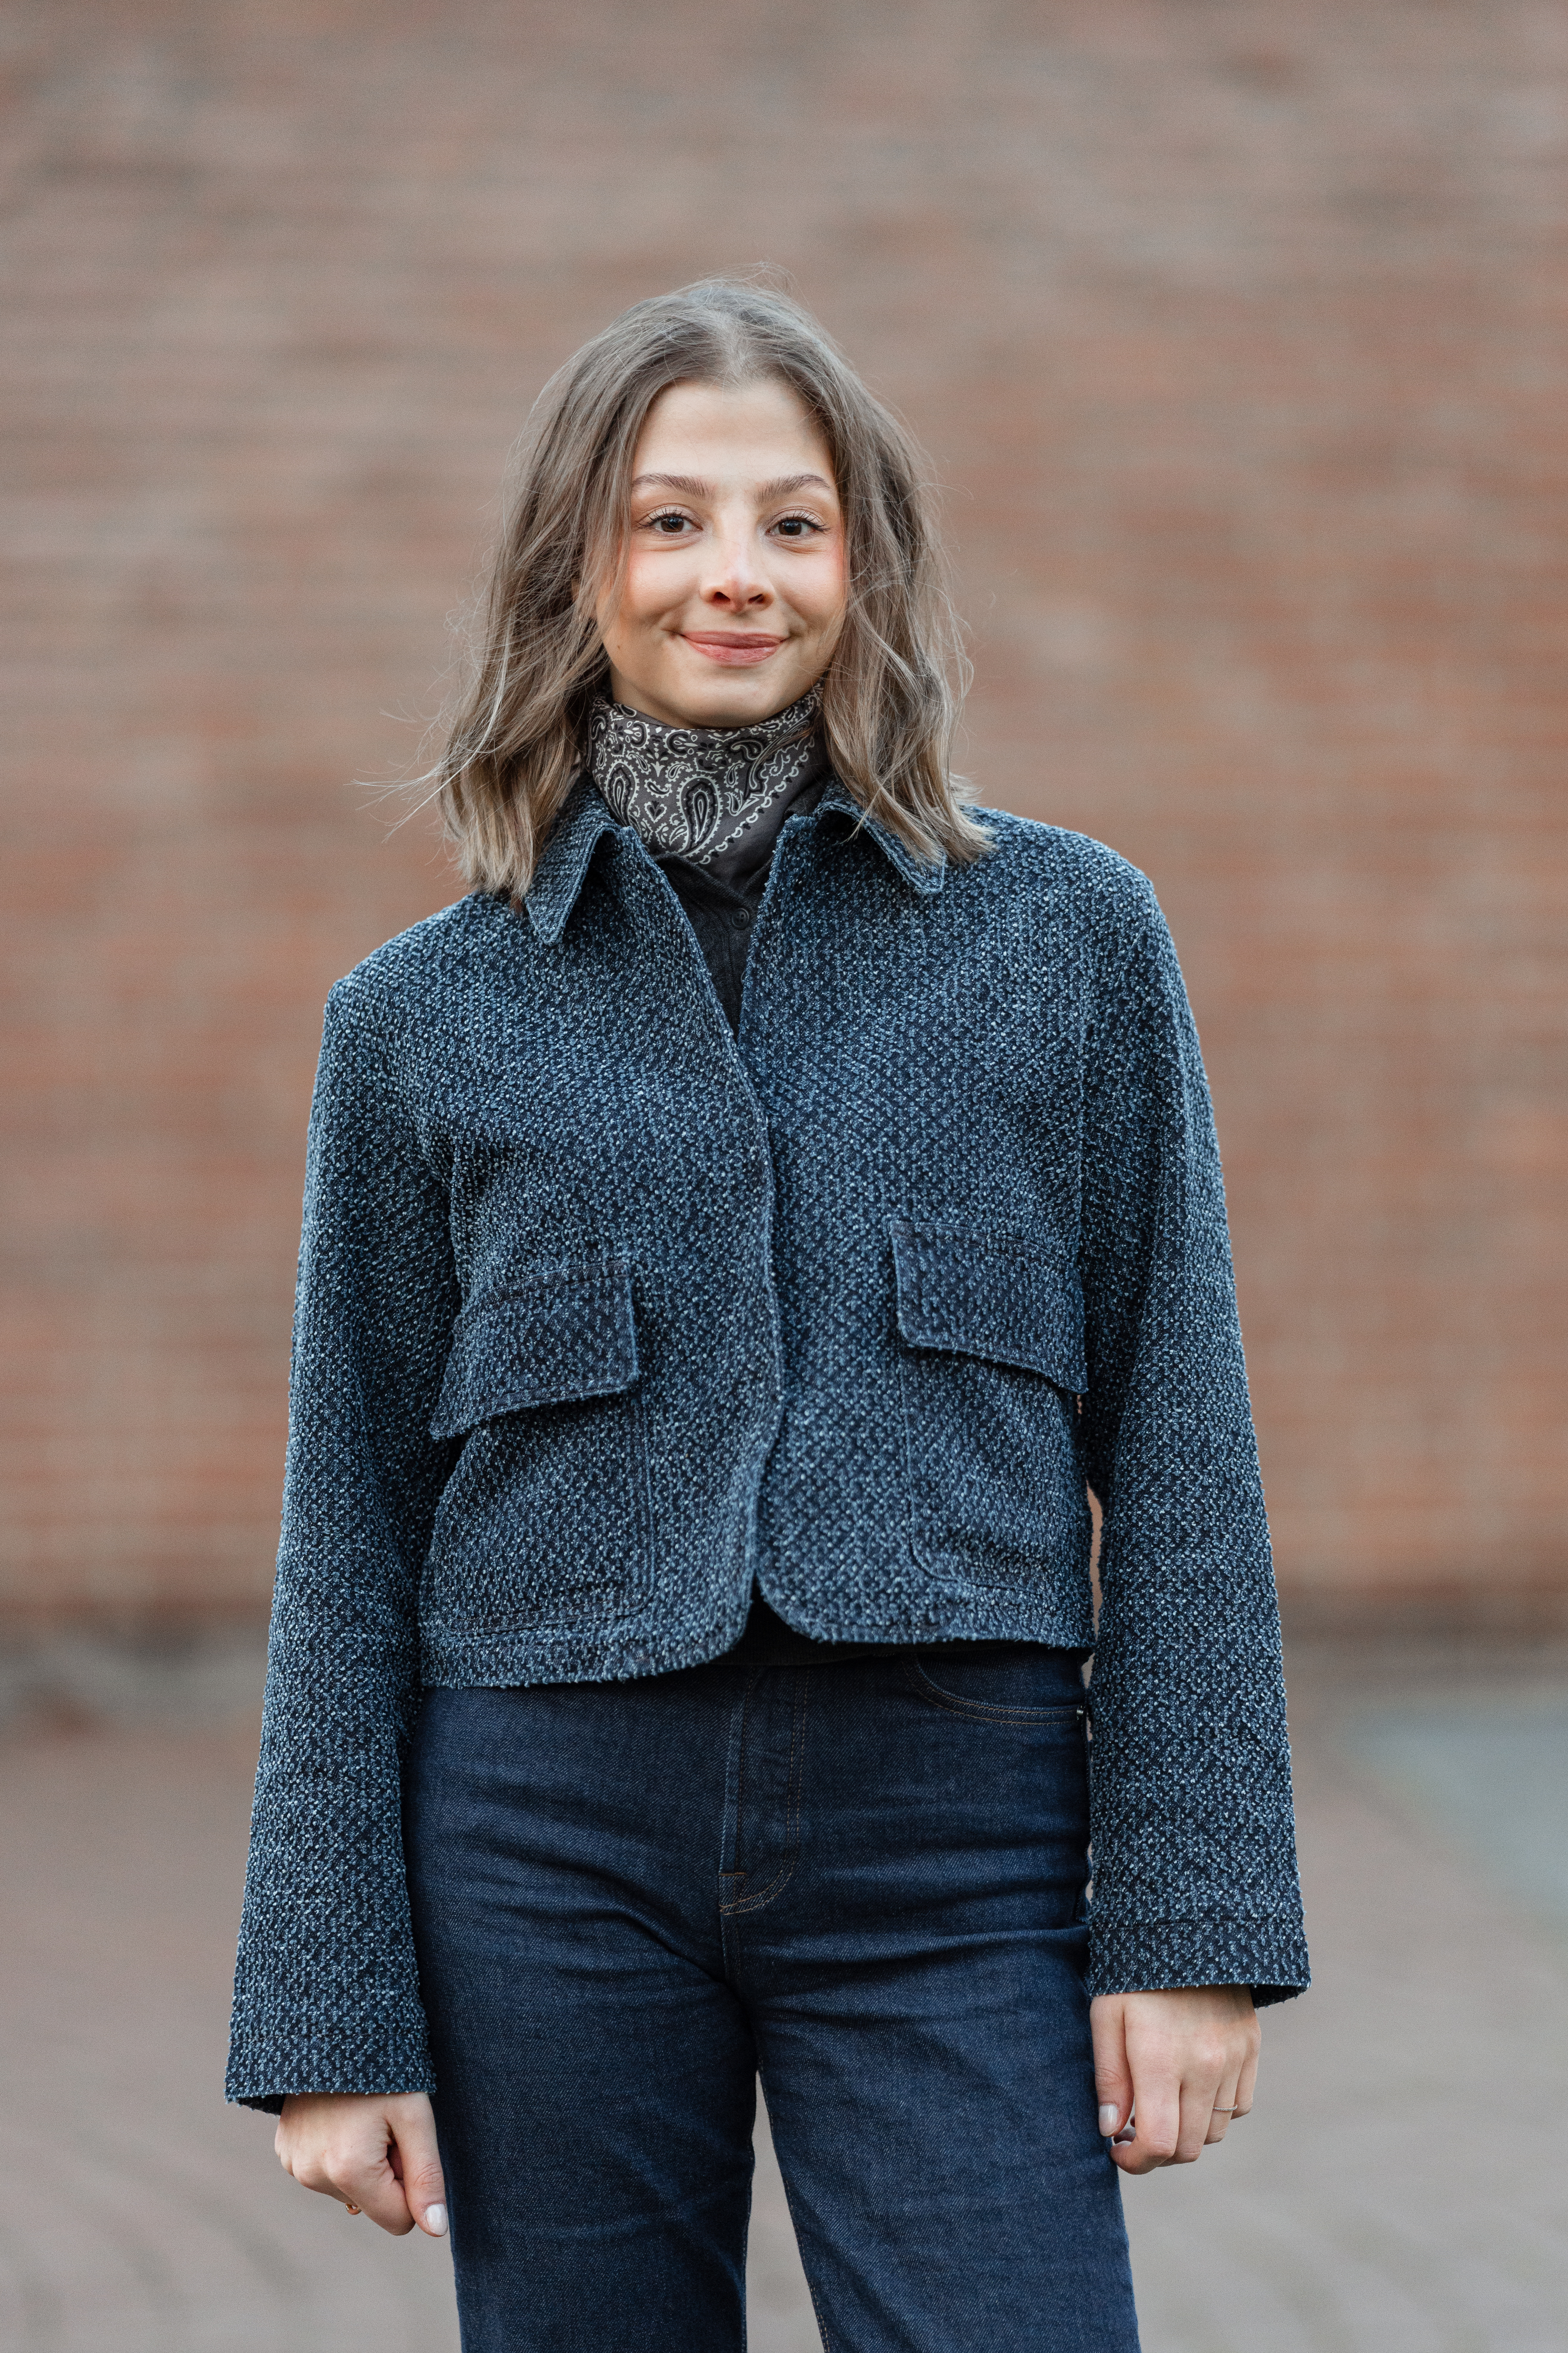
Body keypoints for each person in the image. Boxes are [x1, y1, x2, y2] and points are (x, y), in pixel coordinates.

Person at [227, 277, 1308, 2351]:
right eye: (670, 520)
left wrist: (1195, 1927)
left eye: (793, 524)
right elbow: (345, 1515)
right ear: (577, 567)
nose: (736, 575)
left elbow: (1182, 1432)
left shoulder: (1064, 936)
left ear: (864, 564)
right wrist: (322, 2002)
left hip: (959, 1824)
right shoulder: (420, 1019)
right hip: (542, 1838)